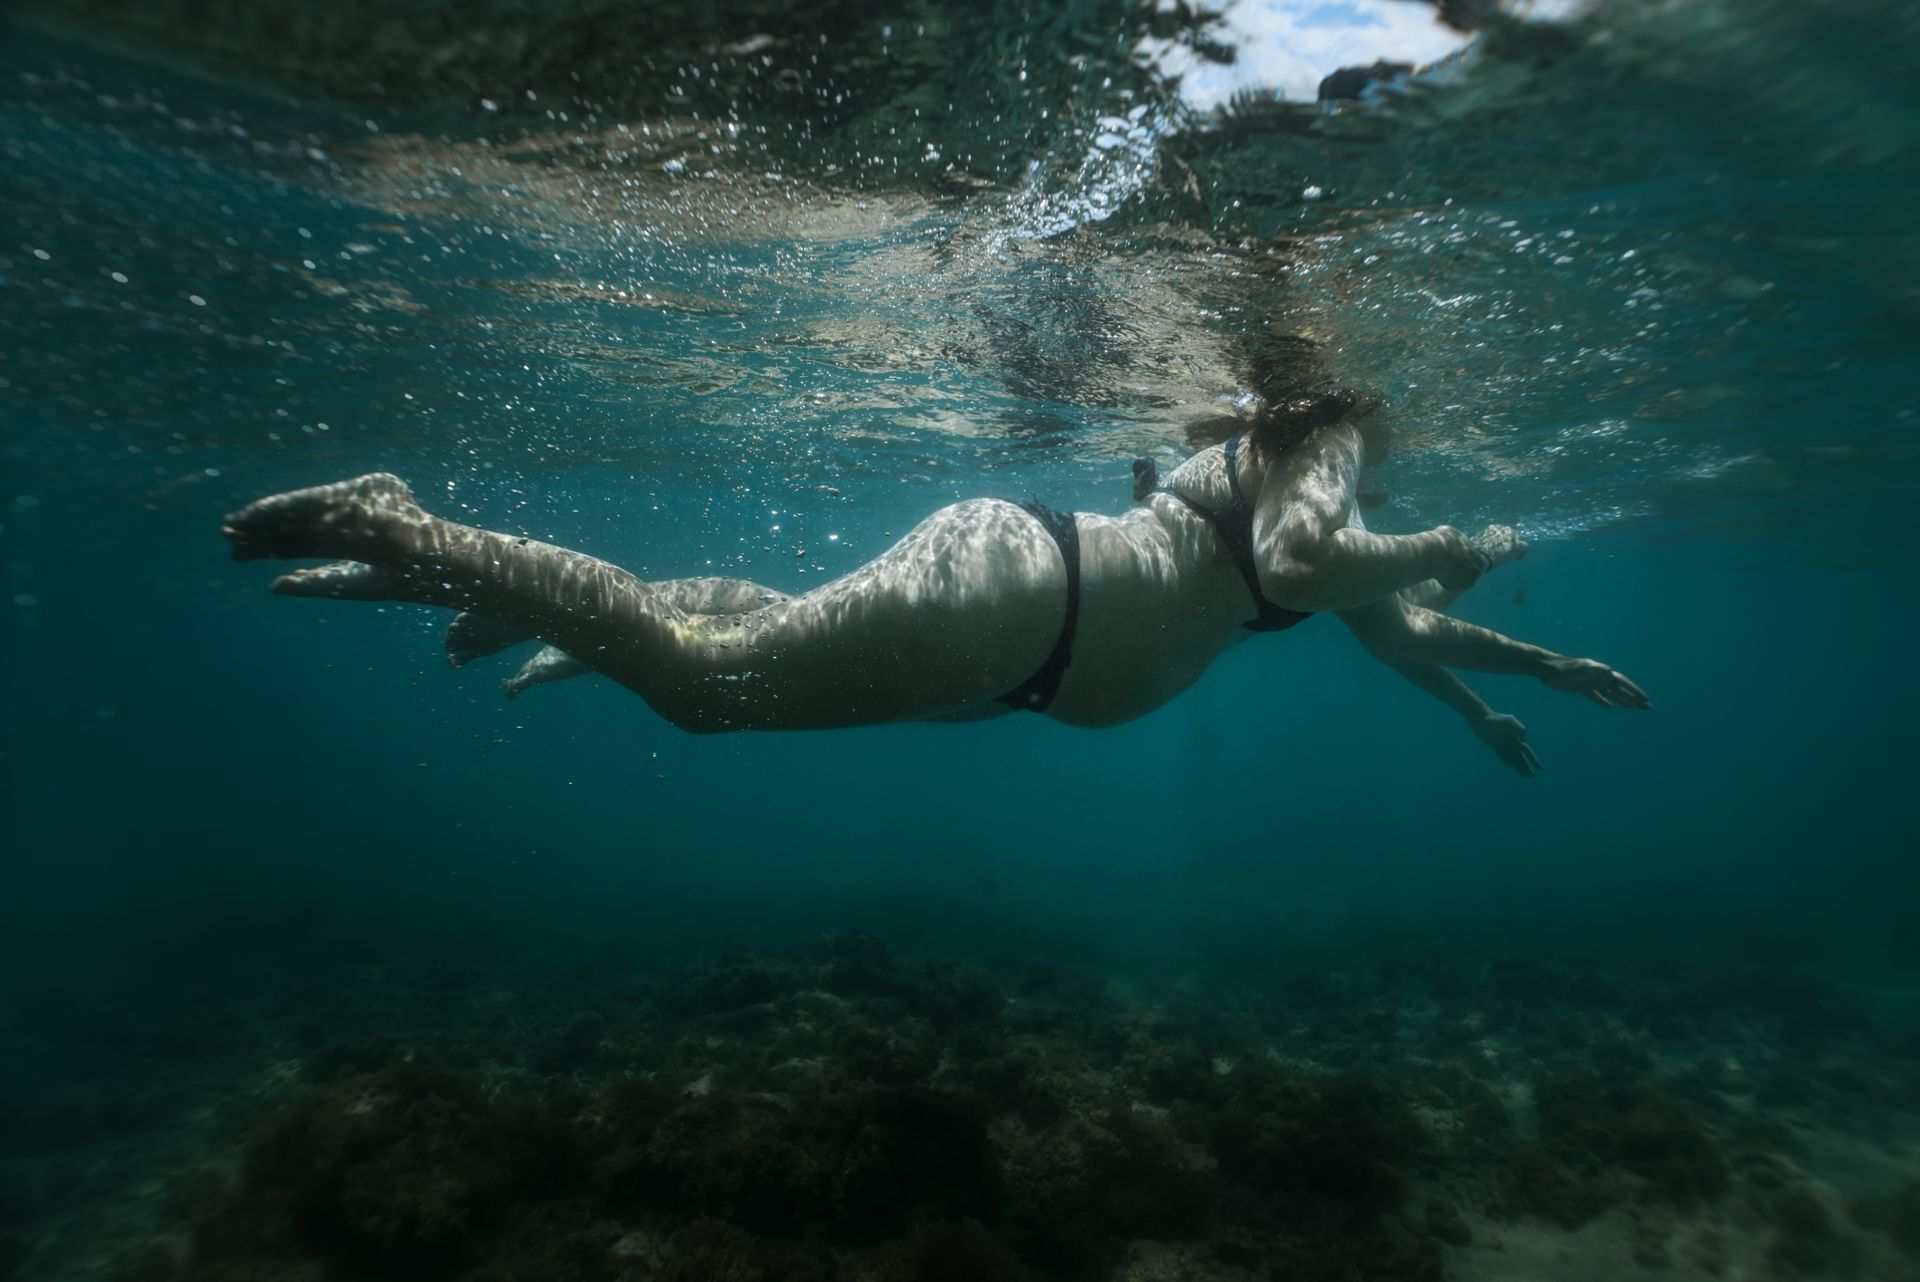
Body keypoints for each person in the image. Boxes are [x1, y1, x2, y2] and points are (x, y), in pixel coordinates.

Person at [220, 398, 1649, 775]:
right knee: (712, 692)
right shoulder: (1325, 436)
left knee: (755, 623)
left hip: (1019, 637)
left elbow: (1395, 631)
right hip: (1029, 605)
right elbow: (1311, 569)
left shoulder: (1322, 481)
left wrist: (1512, 692)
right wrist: (1447, 542)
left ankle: (542, 612)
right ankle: (415, 532)